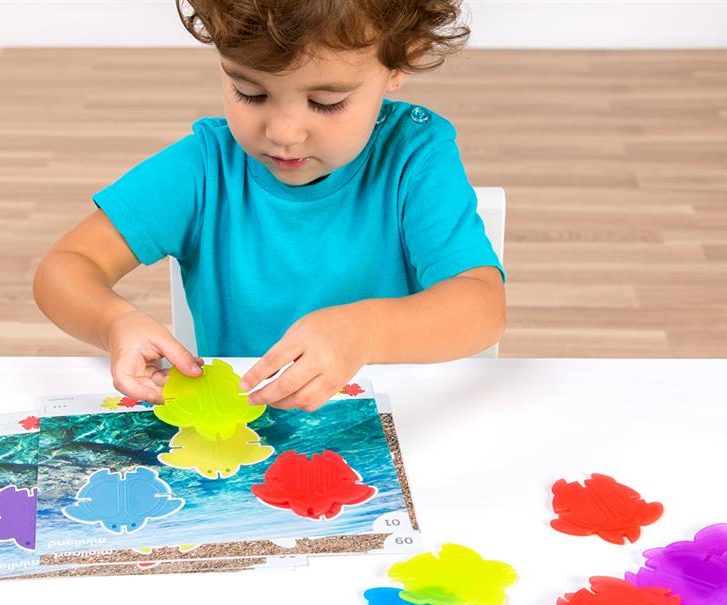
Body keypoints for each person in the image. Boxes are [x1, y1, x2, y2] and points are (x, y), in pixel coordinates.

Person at [33, 0, 505, 412]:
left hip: (395, 423)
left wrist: (365, 332)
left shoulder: (415, 157)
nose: (283, 133)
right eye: (250, 93)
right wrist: (115, 323)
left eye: (325, 102)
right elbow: (66, 266)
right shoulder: (204, 168)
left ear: (403, 59)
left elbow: (482, 306)